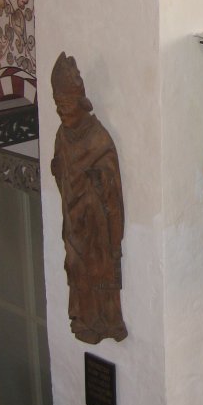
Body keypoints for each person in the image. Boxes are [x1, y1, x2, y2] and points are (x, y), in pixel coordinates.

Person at [51, 52, 127, 344]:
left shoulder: (98, 138)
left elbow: (110, 183)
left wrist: (97, 180)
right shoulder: (62, 135)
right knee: (75, 267)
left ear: (81, 104)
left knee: (98, 269)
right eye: (58, 106)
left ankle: (107, 321)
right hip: (73, 219)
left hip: (95, 223)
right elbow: (62, 170)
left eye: (66, 106)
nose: (61, 112)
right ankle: (84, 319)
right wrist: (59, 169)